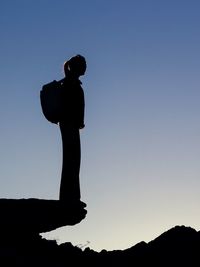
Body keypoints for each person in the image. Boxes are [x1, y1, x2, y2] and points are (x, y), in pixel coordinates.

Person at [59, 55, 87, 208]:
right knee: (72, 160)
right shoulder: (71, 84)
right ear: (77, 66)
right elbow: (70, 106)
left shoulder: (71, 82)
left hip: (70, 125)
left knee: (72, 160)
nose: (86, 67)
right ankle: (70, 197)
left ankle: (71, 196)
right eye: (84, 64)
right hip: (69, 125)